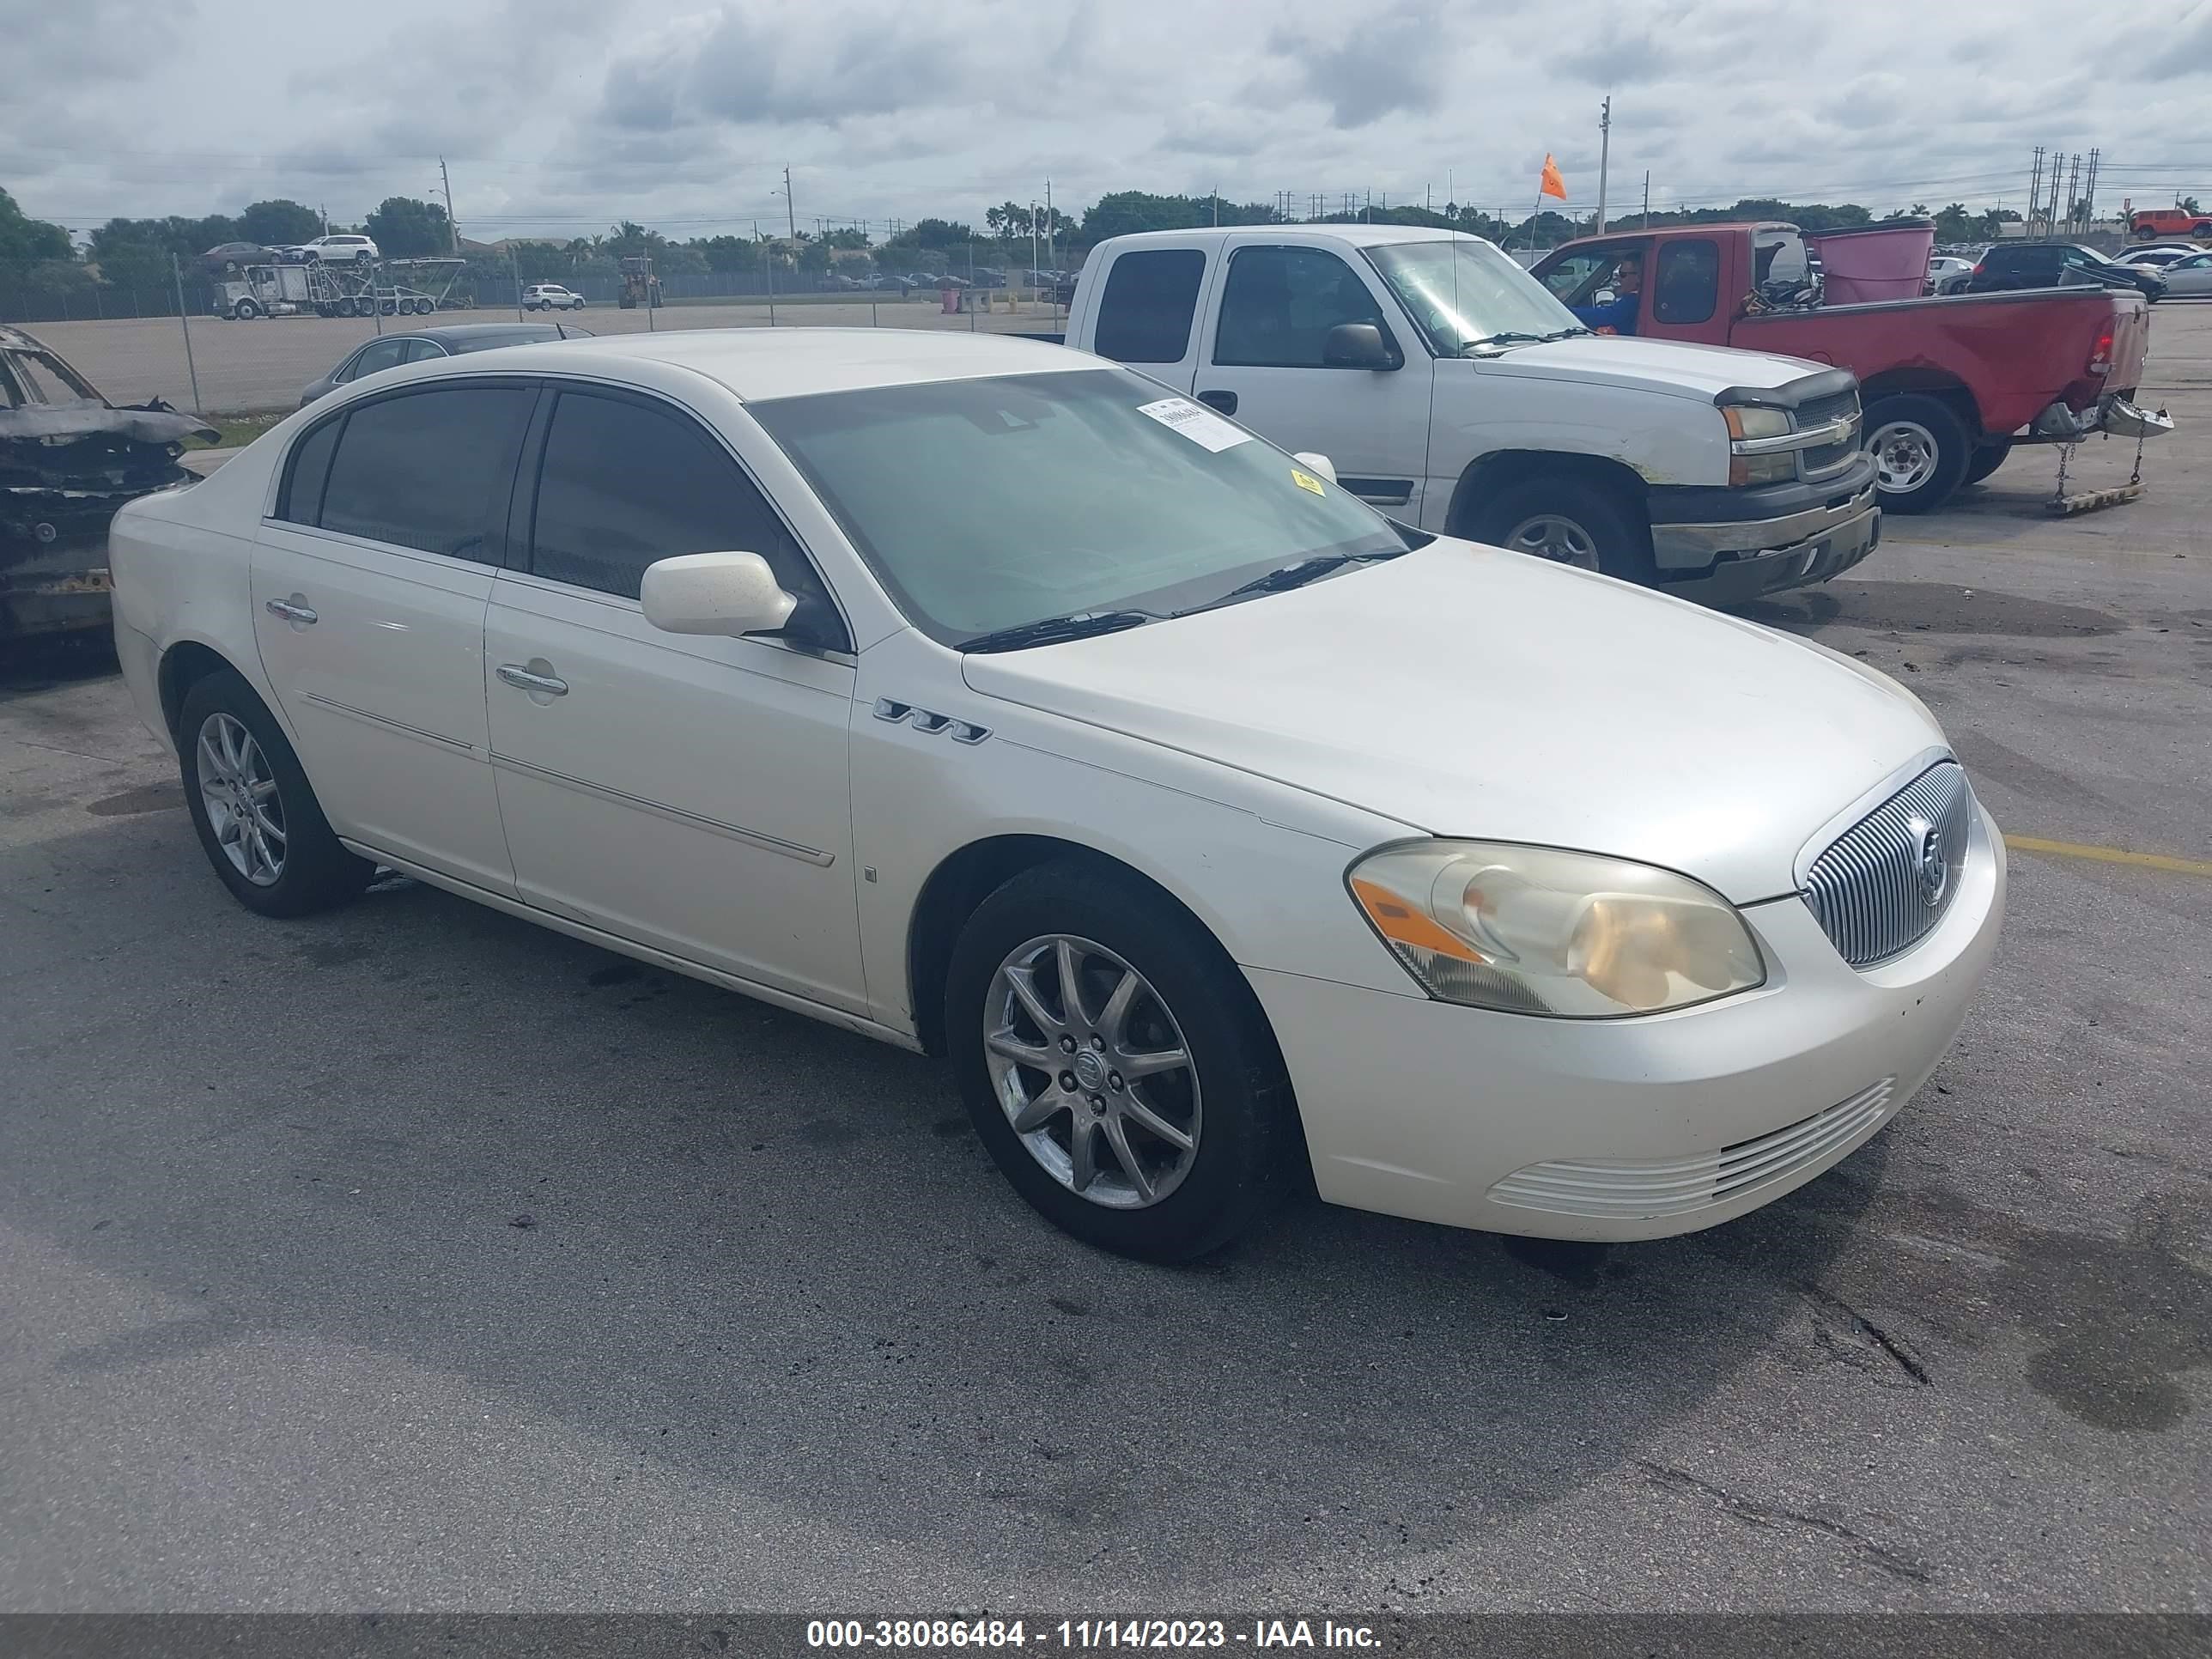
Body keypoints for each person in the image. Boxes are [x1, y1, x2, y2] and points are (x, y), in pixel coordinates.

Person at [1569, 253, 1642, 335]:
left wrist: (1565, 311)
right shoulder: (1637, 298)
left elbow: (1607, 317)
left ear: (1638, 276)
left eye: (1623, 274)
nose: (1619, 279)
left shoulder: (1634, 300)